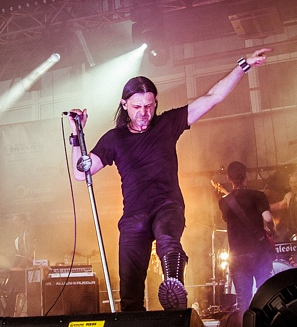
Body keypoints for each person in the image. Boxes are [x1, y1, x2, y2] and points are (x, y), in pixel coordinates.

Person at [66, 48, 272, 311]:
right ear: (124, 104)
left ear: (156, 103)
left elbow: (212, 97)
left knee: (167, 241)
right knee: (130, 291)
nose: (144, 113)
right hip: (134, 215)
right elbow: (80, 172)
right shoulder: (114, 139)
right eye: (137, 107)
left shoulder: (167, 124)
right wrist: (76, 136)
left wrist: (243, 65)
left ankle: (173, 287)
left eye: (150, 106)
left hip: (168, 205)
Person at [218, 161, 276, 326]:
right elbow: (268, 219)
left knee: (244, 299)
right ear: (247, 175)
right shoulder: (258, 195)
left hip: (237, 256)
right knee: (264, 295)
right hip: (259, 253)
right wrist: (272, 230)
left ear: (229, 178)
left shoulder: (224, 202)